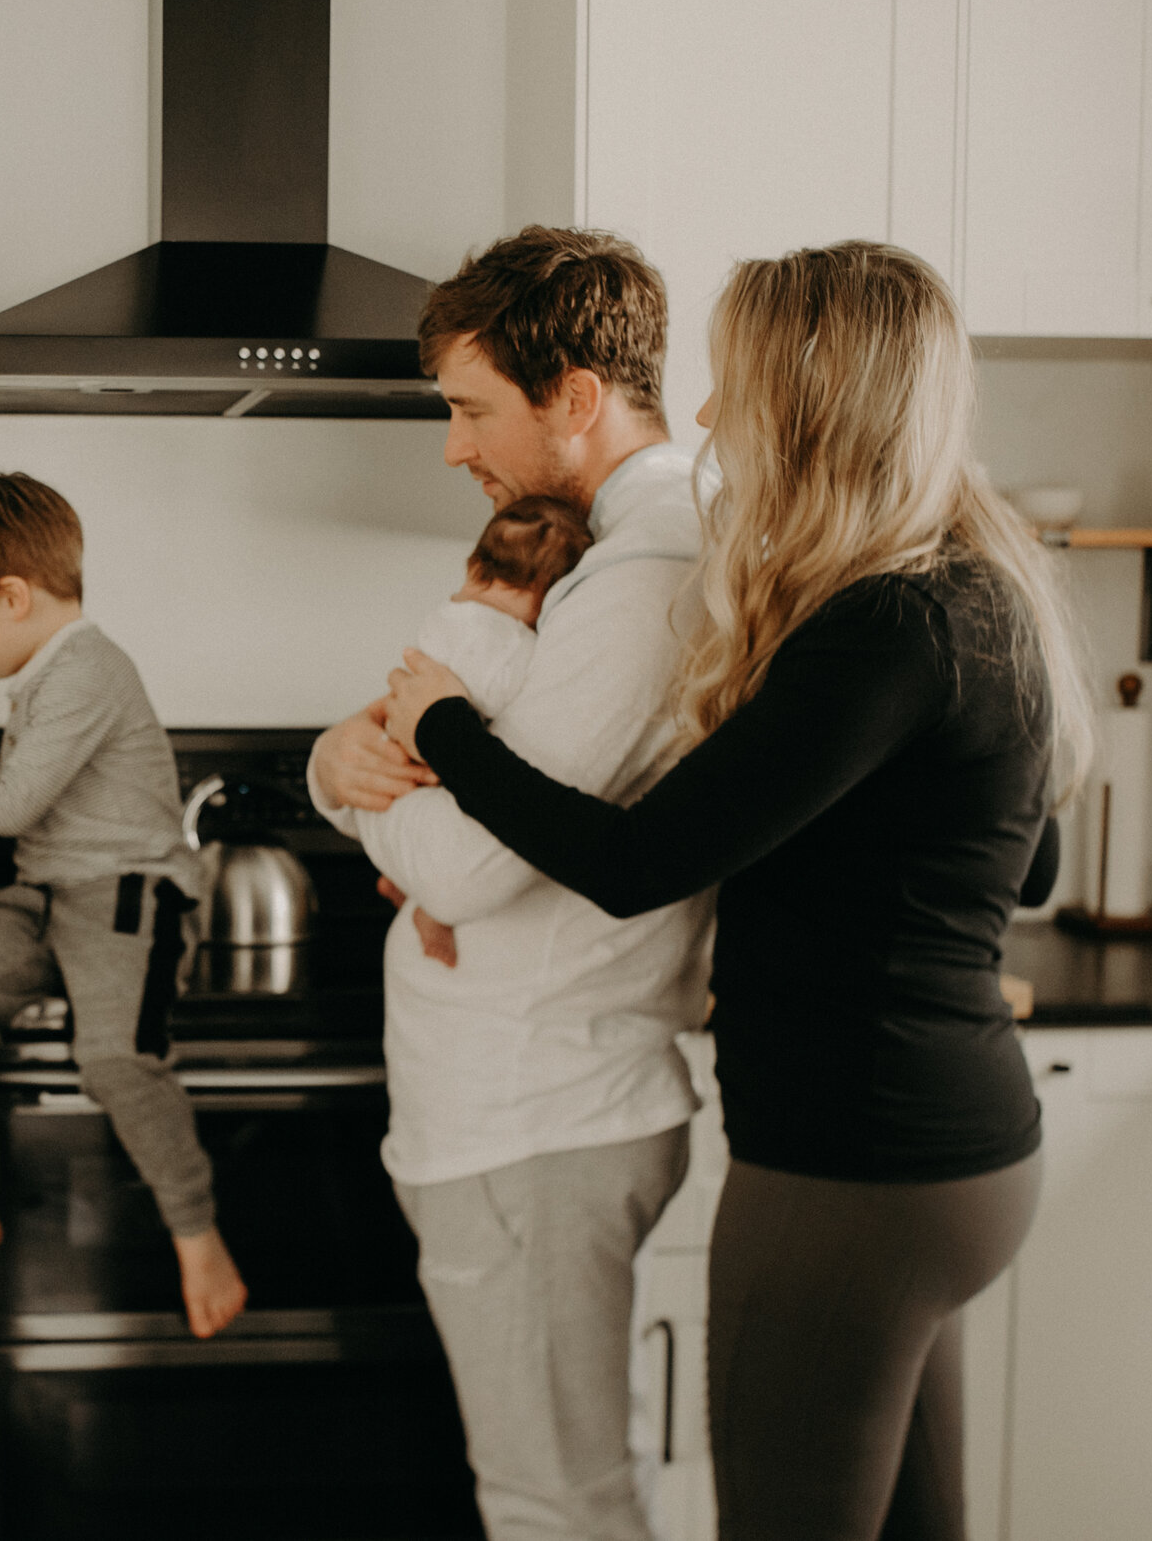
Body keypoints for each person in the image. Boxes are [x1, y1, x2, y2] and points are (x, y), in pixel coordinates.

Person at [380, 240, 1088, 1541]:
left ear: (813, 403)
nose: (708, 416)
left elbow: (633, 860)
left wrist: (443, 727)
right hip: (965, 1157)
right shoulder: (983, 594)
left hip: (847, 1173)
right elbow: (1026, 860)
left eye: (737, 385)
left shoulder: (879, 625)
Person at [309, 225, 717, 1541]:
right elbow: (439, 752)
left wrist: (358, 791)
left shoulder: (642, 581)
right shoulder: (599, 563)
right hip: (524, 1109)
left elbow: (471, 859)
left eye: (472, 408)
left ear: (577, 398)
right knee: (550, 1486)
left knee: (559, 1501)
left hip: (536, 1111)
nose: (453, 446)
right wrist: (341, 760)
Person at [0, 472, 248, 1338]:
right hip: (46, 886)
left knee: (114, 1058)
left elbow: (13, 808)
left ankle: (196, 1229)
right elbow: (24, 796)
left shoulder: (88, 670)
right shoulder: (46, 672)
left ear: (12, 597)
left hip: (127, 892)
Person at [405, 494, 594, 968]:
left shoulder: (443, 617)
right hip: (443, 763)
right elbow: (519, 704)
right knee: (458, 856)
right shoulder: (512, 644)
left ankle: (403, 885)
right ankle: (433, 914)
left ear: (474, 568)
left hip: (407, 750)